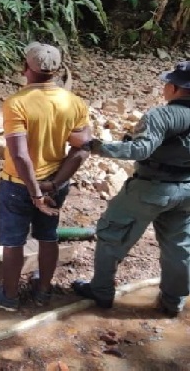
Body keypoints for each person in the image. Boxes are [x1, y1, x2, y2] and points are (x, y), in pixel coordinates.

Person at [0, 42, 91, 311]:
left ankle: (9, 297)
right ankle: (43, 290)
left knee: (13, 242)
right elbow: (82, 150)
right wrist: (53, 184)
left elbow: (21, 155)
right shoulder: (74, 102)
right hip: (55, 184)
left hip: (18, 185)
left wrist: (35, 192)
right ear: (57, 70)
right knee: (48, 235)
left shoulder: (17, 103)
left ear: (26, 68)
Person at [73, 60, 190, 317]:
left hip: (151, 189)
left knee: (111, 234)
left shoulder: (162, 115)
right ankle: (173, 302)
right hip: (186, 192)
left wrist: (96, 146)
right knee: (178, 246)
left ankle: (101, 291)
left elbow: (140, 150)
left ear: (174, 87)